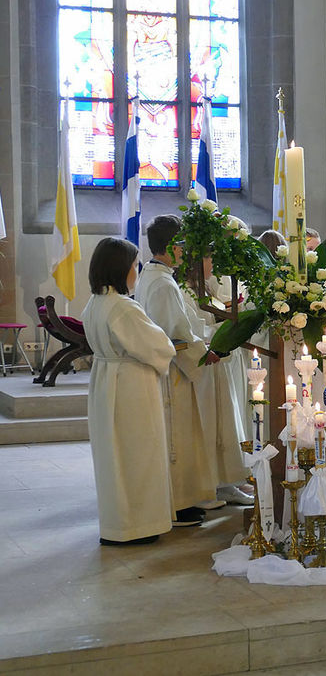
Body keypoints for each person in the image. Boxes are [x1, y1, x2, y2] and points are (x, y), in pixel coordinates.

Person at [81, 238, 176, 545]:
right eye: (134, 265)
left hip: (106, 380)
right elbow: (158, 346)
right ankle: (139, 526)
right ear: (120, 268)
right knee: (138, 455)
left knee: (113, 457)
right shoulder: (123, 307)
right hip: (131, 385)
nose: (136, 271)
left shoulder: (95, 302)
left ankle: (117, 525)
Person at [134, 214, 219, 527]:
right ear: (171, 247)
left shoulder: (153, 276)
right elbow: (175, 331)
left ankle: (184, 499)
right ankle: (179, 504)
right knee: (178, 439)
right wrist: (204, 352)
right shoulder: (164, 284)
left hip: (171, 368)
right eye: (183, 245)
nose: (188, 252)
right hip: (174, 371)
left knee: (182, 438)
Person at [184, 254, 253, 505]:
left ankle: (228, 482)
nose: (212, 263)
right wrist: (229, 326)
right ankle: (215, 485)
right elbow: (194, 330)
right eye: (208, 258)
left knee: (226, 424)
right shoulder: (185, 293)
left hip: (220, 362)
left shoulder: (203, 289)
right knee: (214, 428)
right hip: (205, 363)